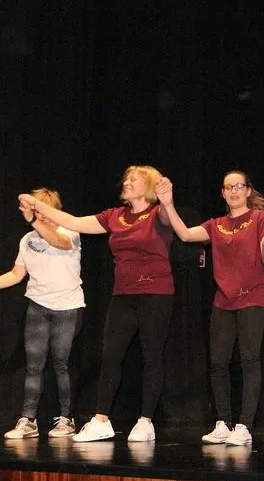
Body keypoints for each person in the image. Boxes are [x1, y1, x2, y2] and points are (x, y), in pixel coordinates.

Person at [19, 166, 173, 443]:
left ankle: (146, 420)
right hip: (123, 295)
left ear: (148, 186)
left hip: (155, 293)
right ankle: (102, 419)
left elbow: (169, 217)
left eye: (133, 180)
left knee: (152, 356)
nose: (126, 182)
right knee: (111, 355)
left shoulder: (157, 214)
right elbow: (73, 222)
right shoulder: (114, 216)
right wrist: (37, 205)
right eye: (126, 178)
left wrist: (167, 200)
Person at [155, 170, 264, 446]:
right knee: (218, 362)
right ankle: (223, 422)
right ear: (222, 193)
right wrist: (168, 203)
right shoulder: (216, 225)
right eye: (228, 187)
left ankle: (244, 426)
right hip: (224, 299)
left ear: (247, 190)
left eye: (238, 186)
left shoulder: (259, 219)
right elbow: (184, 235)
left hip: (253, 297)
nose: (233, 191)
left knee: (249, 360)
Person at [0, 188, 84, 439]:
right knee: (33, 366)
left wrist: (35, 220)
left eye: (44, 210)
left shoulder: (69, 232)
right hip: (38, 306)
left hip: (67, 307)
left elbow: (58, 242)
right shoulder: (27, 239)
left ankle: (67, 419)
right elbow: (16, 275)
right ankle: (28, 420)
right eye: (37, 210)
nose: (41, 215)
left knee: (61, 363)